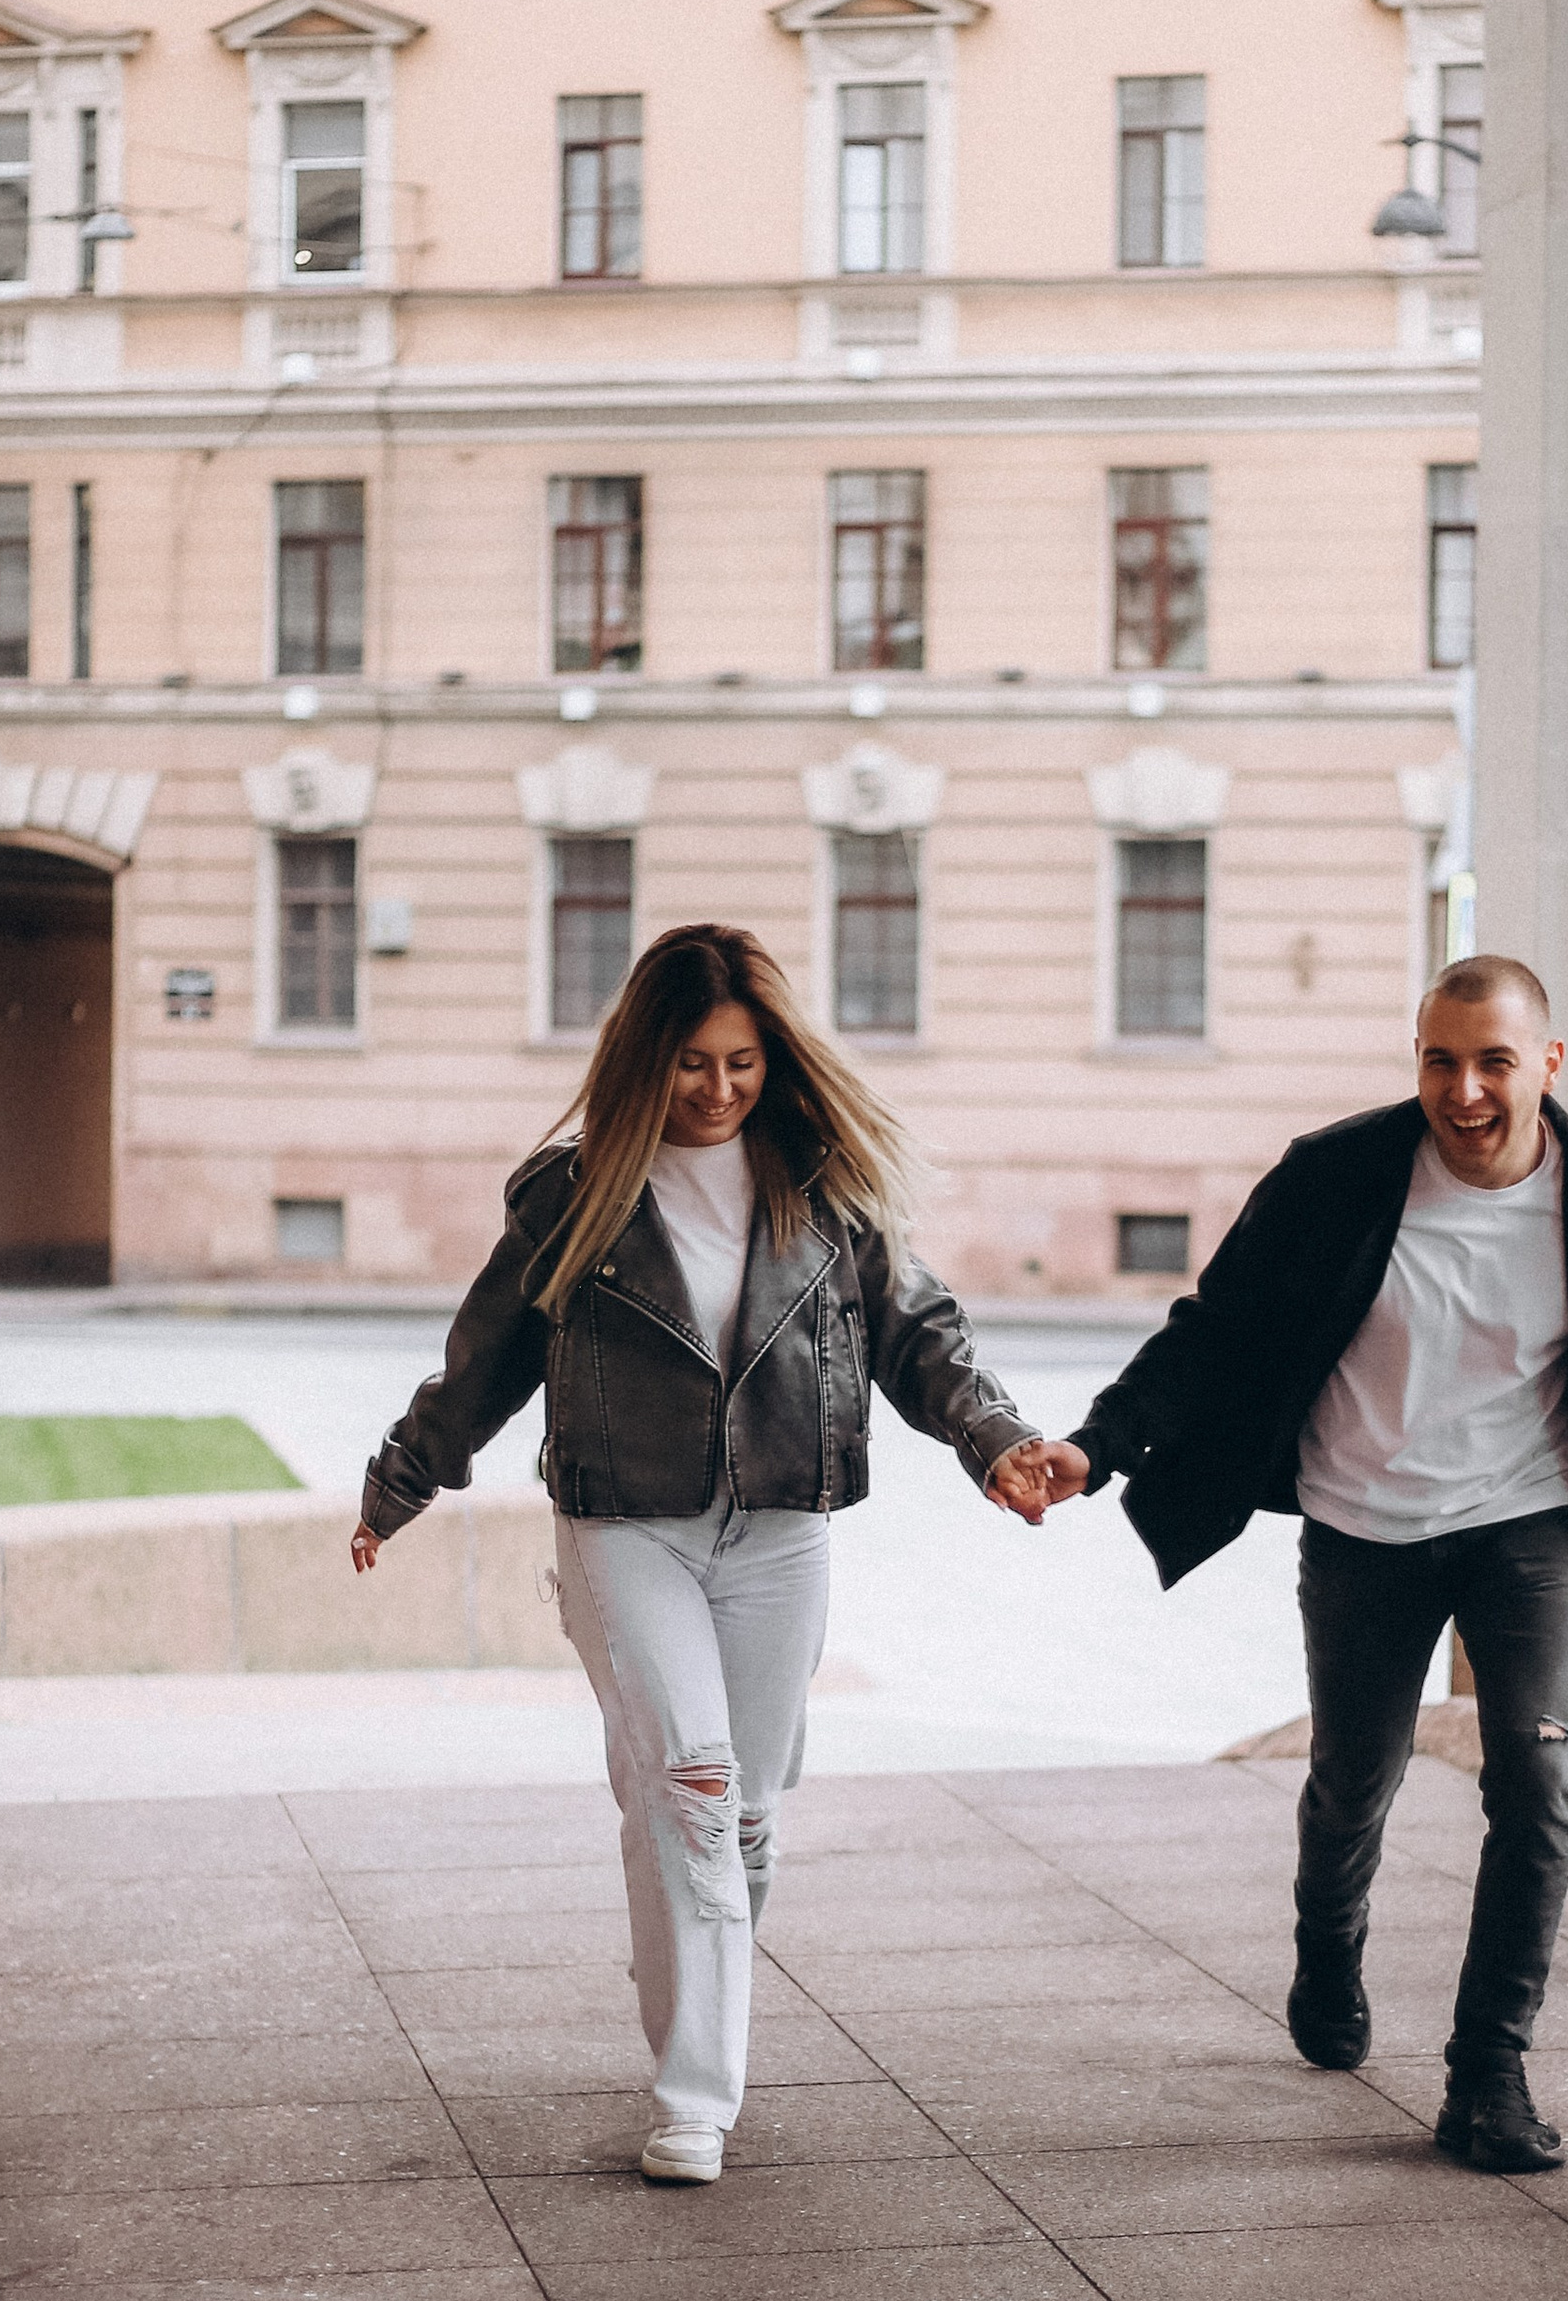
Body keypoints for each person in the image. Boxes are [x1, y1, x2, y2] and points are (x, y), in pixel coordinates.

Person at [1024, 955, 1568, 2175]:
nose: (1465, 1090)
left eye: (1493, 1062)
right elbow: (1215, 1331)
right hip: (1366, 1523)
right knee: (1353, 1777)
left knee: (1536, 1784)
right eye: (1440, 1060)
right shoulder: (1338, 1177)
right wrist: (1096, 1446)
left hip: (1531, 1523)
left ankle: (1489, 2074)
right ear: (1416, 1058)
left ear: (1549, 1062)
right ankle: (1329, 1942)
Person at [350, 921, 1060, 2185]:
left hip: (783, 1528)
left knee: (743, 1816)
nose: (718, 1089)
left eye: (740, 1063)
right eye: (690, 1062)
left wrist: (992, 1438)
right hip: (627, 1524)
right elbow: (487, 1357)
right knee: (694, 1784)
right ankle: (696, 2099)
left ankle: (685, 1970)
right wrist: (401, 1480)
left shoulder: (823, 1185)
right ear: (642, 1058)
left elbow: (920, 1336)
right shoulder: (574, 1197)